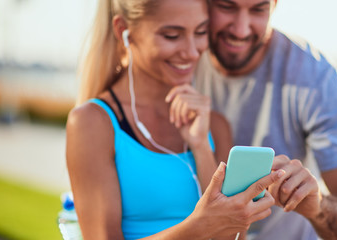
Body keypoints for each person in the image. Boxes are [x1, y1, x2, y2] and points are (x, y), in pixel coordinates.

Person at [66, 0, 284, 239]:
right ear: (123, 30)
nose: (192, 52)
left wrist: (201, 147)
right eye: (172, 35)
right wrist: (202, 224)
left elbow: (233, 237)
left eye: (201, 32)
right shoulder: (93, 123)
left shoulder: (214, 126)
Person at [195, 0, 337, 239]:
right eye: (226, 6)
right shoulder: (176, 57)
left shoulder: (314, 76)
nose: (241, 29)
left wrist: (318, 209)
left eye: (258, 9)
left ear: (275, 5)